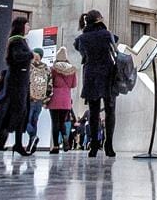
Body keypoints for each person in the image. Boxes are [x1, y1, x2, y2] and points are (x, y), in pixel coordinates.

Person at [0, 17, 34, 155]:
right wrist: (31, 54)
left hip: (20, 82)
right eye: (27, 24)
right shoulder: (17, 41)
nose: (29, 27)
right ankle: (10, 142)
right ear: (21, 26)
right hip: (17, 83)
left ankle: (14, 143)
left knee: (19, 113)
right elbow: (18, 56)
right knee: (18, 112)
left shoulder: (19, 40)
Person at [73, 9, 117, 158]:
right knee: (110, 110)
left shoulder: (82, 38)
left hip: (91, 74)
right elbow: (114, 40)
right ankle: (109, 145)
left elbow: (78, 48)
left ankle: (93, 146)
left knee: (93, 112)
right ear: (99, 20)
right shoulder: (106, 34)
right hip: (107, 73)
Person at [48, 46, 77, 154]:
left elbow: (50, 82)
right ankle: (65, 138)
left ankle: (55, 146)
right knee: (62, 122)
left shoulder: (53, 68)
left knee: (55, 122)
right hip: (66, 99)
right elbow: (74, 85)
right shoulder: (72, 70)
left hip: (55, 97)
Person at [27, 48, 51, 151]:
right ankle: (31, 145)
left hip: (29, 98)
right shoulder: (46, 68)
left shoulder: (29, 66)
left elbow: (25, 81)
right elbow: (50, 86)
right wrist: (46, 100)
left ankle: (33, 137)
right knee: (34, 122)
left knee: (25, 121)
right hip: (40, 100)